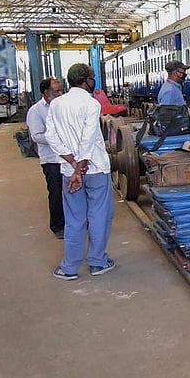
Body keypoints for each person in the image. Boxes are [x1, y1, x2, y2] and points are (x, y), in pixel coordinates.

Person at [44, 63, 116, 280]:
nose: (93, 81)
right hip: (94, 170)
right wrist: (80, 165)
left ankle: (69, 267)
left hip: (69, 172)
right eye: (92, 77)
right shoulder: (91, 104)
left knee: (74, 219)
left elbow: (50, 136)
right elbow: (89, 136)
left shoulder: (56, 104)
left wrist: (71, 163)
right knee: (99, 215)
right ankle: (97, 262)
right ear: (86, 80)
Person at [25, 77, 65, 239]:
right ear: (46, 93)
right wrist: (59, 138)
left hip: (67, 158)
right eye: (57, 91)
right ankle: (57, 226)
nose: (61, 93)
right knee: (56, 193)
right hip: (51, 160)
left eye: (61, 90)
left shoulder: (63, 107)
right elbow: (37, 136)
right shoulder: (36, 111)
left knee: (73, 192)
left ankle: (75, 222)